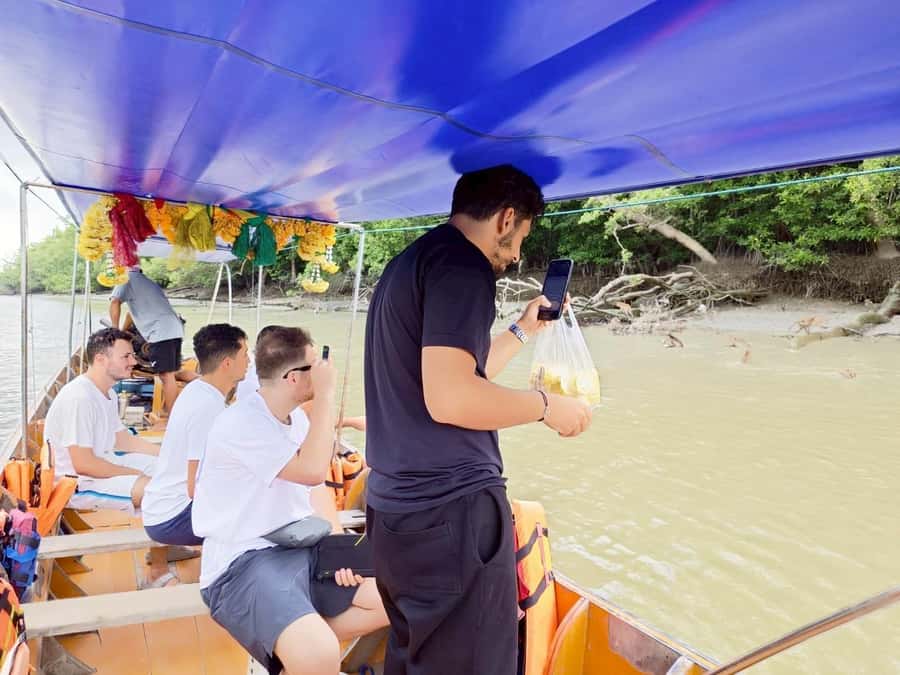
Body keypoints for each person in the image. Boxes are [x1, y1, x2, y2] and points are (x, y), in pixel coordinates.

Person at [364, 164, 592, 674]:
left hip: (396, 512)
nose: (512, 259)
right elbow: (452, 400)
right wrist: (548, 407)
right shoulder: (464, 266)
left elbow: (459, 372)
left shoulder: (411, 262)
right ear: (507, 218)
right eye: (517, 243)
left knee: (414, 657)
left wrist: (521, 329)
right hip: (447, 513)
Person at [192, 326, 388, 675]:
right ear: (294, 378)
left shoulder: (294, 418)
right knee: (319, 653)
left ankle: (282, 657)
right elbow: (312, 470)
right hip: (242, 560)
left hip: (300, 546)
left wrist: (336, 548)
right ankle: (298, 654)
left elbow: (315, 489)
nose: (325, 370)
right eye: (317, 364)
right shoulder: (242, 424)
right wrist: (326, 396)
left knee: (390, 598)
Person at [43, 327, 172, 586]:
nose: (134, 361)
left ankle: (166, 540)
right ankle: (157, 570)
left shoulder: (108, 392)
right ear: (101, 359)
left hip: (104, 462)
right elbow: (84, 464)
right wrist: (138, 475)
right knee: (159, 489)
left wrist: (169, 455)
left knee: (173, 473)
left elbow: (121, 439)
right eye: (126, 356)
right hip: (75, 482)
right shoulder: (79, 397)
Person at [141, 323, 249, 549]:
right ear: (227, 364)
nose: (249, 361)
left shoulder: (198, 389)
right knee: (262, 514)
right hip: (173, 517)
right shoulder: (208, 408)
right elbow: (196, 489)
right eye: (245, 355)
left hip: (161, 507)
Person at [109, 265, 194, 414]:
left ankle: (171, 416)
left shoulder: (125, 279)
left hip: (161, 332)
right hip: (173, 328)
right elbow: (131, 313)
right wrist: (122, 332)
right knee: (173, 372)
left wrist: (113, 330)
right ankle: (209, 382)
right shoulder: (145, 282)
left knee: (166, 375)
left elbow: (115, 302)